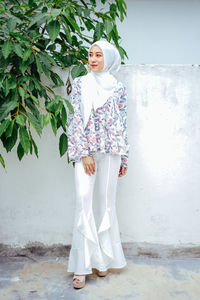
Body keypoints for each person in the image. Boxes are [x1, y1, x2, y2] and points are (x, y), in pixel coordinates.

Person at [67, 40, 129, 289]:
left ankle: (102, 261)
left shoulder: (118, 88)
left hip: (112, 152)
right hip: (88, 153)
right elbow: (73, 119)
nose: (92, 59)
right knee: (83, 203)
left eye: (98, 55)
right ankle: (80, 267)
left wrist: (125, 157)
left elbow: (123, 122)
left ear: (109, 59)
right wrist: (83, 153)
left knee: (106, 205)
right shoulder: (81, 84)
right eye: (90, 54)